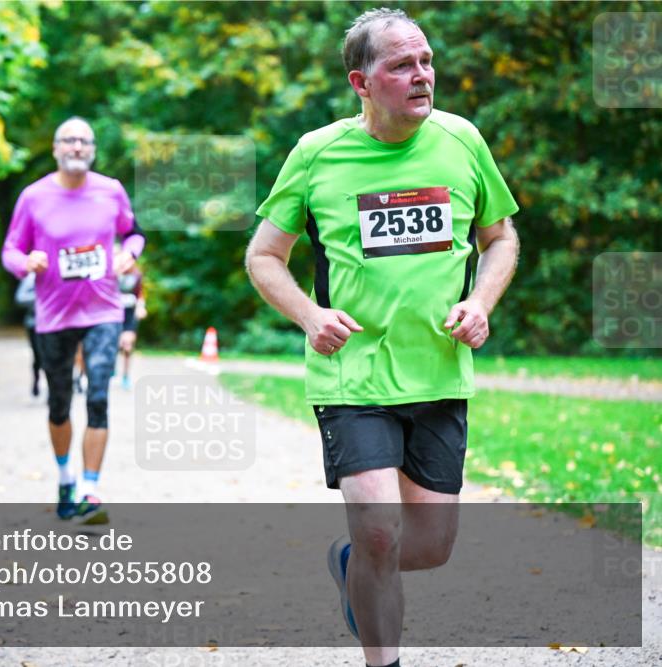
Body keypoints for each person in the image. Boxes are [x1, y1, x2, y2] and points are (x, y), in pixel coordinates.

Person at [245, 9, 520, 667]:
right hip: (352, 374)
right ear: (361, 81)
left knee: (428, 545)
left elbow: (501, 238)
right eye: (402, 65)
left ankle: (349, 565)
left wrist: (481, 300)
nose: (422, 76)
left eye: (426, 61)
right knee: (378, 530)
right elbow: (263, 256)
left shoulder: (462, 141)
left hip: (439, 372)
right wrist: (311, 316)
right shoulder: (317, 153)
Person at [1, 116, 145, 523]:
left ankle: (90, 489)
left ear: (93, 148)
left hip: (103, 310)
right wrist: (25, 262)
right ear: (56, 148)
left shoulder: (110, 191)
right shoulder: (33, 197)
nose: (77, 147)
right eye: (69, 140)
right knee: (59, 403)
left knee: (98, 397)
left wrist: (128, 255)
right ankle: (65, 477)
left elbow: (134, 233)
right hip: (53, 315)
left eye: (84, 141)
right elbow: (10, 250)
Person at [115, 253, 146, 390]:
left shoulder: (137, 276)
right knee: (113, 343)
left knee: (127, 345)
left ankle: (126, 376)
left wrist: (141, 308)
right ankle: (111, 368)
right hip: (114, 315)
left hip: (129, 315)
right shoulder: (113, 274)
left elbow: (140, 295)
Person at [14, 272, 41, 397]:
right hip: (34, 323)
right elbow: (20, 297)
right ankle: (36, 381)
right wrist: (41, 296)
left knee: (53, 358)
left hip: (55, 323)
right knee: (38, 356)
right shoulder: (30, 278)